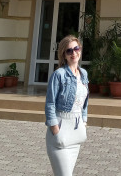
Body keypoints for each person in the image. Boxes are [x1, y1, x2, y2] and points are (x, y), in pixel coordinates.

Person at [45, 35, 89, 176]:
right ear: (63, 54)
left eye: (76, 48)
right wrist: (55, 130)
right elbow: (50, 103)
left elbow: (84, 101)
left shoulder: (83, 74)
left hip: (76, 134)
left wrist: (84, 122)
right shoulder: (59, 75)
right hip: (60, 131)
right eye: (69, 51)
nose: (73, 53)